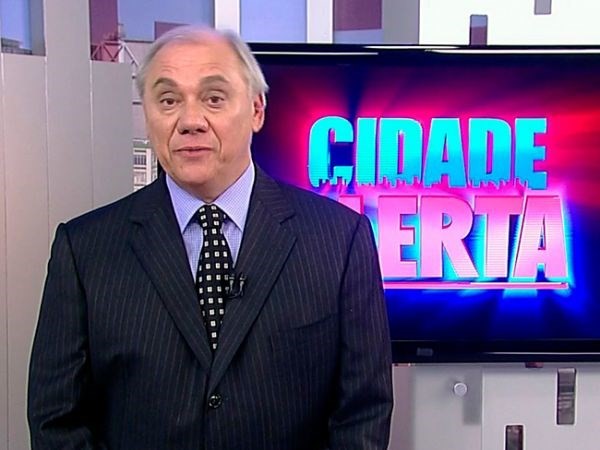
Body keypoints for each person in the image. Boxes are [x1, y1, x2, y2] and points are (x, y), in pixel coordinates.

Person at [27, 25, 393, 450]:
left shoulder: (340, 240)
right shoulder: (84, 250)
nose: (190, 122)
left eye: (214, 98)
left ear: (256, 110)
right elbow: (56, 421)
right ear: (147, 115)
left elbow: (363, 414)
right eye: (168, 100)